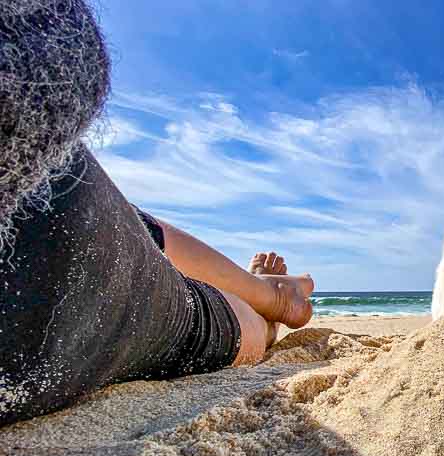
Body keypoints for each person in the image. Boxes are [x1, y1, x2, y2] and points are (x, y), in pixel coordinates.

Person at [0, 0, 315, 426]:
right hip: (55, 235)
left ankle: (266, 303)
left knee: (181, 294)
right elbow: (64, 58)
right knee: (155, 266)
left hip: (48, 243)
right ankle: (267, 305)